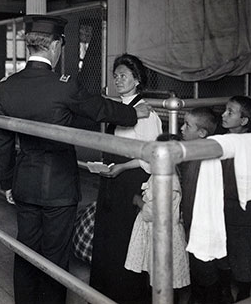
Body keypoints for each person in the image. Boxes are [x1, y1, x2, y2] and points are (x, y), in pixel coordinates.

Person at [0, 15, 152, 304]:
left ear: (30, 47)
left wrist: (7, 182)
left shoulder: (5, 88)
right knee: (55, 255)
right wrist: (132, 113)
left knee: (26, 249)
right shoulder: (63, 86)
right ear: (55, 46)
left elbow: (1, 143)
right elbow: (97, 108)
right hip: (59, 185)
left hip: (24, 181)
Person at [89, 54, 162, 304]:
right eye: (116, 75)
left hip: (131, 182)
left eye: (124, 75)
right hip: (112, 179)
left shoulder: (148, 114)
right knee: (107, 241)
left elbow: (152, 157)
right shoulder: (119, 109)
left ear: (137, 79)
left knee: (125, 243)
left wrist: (121, 167)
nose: (118, 80)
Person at [124, 133, 191, 304]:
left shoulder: (168, 179)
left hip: (163, 235)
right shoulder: (162, 172)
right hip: (153, 233)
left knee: (164, 278)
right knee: (155, 273)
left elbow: (157, 211)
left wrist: (139, 201)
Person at [179, 107, 223, 304]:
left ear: (202, 133)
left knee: (204, 264)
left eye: (187, 125)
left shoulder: (207, 157)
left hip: (202, 221)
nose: (181, 128)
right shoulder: (190, 153)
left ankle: (214, 298)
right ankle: (197, 297)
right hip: (190, 217)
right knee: (196, 263)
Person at [219, 95, 251, 301]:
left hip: (243, 210)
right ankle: (224, 289)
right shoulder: (222, 140)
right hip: (223, 205)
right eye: (225, 110)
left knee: (241, 253)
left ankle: (244, 293)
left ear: (244, 121)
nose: (223, 115)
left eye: (230, 112)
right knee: (222, 249)